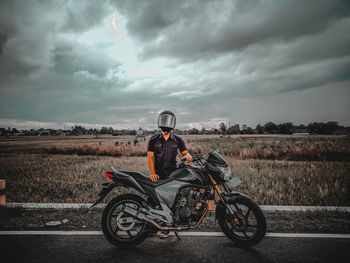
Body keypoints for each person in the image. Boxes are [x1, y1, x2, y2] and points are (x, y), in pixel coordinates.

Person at [147, 110, 193, 183]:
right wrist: (153, 174)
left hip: (174, 174)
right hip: (158, 174)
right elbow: (150, 158)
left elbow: (185, 153)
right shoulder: (153, 139)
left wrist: (188, 155)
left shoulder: (178, 140)